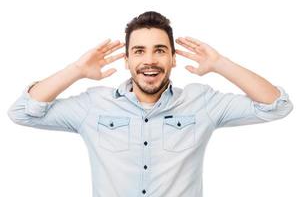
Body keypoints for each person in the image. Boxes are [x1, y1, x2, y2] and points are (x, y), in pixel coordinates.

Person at [7, 11, 293, 197]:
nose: (150, 61)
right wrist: (77, 70)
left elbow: (276, 106)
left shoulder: (201, 101)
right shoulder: (93, 106)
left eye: (160, 50)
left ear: (173, 58)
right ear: (127, 60)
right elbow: (22, 112)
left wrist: (220, 64)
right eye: (139, 51)